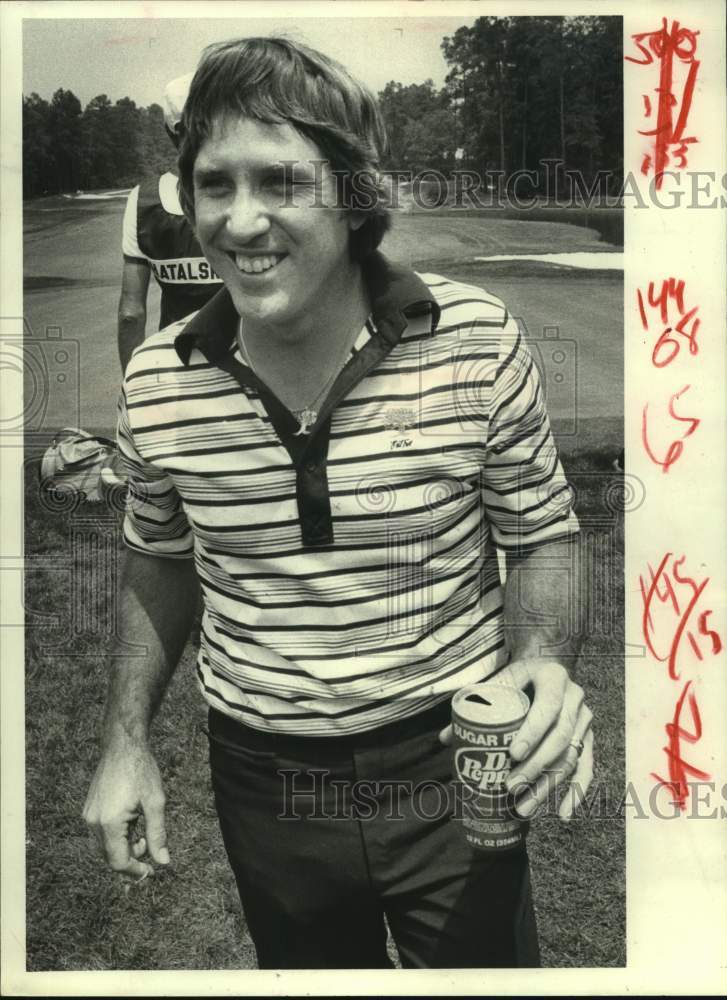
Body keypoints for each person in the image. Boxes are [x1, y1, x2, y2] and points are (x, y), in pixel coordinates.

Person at [84, 36, 594, 969]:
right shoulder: (157, 380)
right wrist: (126, 741)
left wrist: (542, 661)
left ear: (355, 195)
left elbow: (543, 531)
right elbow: (157, 556)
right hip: (262, 780)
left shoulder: (475, 339)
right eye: (213, 184)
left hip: (449, 761)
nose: (239, 222)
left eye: (281, 183)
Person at [117, 75, 223, 371]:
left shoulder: (143, 199)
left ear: (169, 132)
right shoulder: (240, 193)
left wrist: (133, 385)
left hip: (176, 362)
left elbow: (131, 313)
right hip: (245, 363)